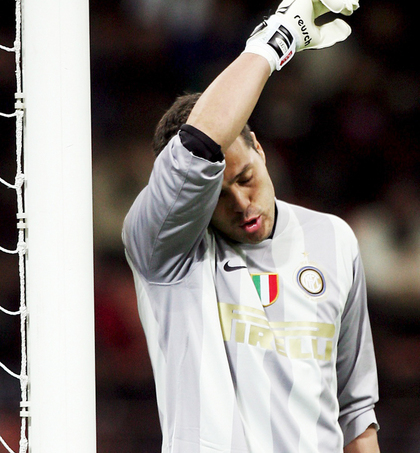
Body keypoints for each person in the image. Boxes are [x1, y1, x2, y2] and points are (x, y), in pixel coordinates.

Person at [122, 0, 380, 451]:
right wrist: (279, 37)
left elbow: (355, 411)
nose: (242, 203)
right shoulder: (164, 249)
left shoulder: (334, 239)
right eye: (218, 195)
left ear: (259, 149)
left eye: (245, 178)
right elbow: (199, 144)